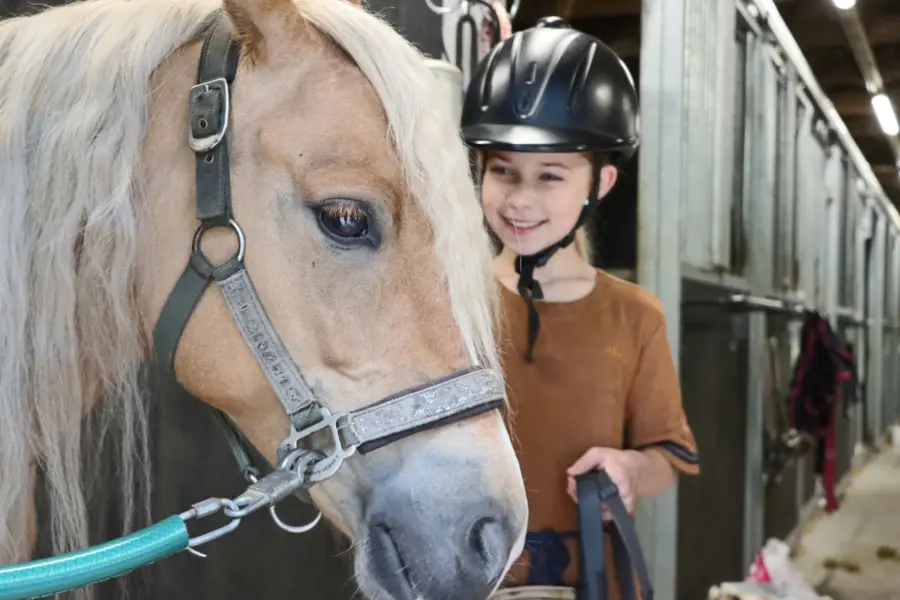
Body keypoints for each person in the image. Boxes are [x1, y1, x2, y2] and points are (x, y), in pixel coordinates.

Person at [460, 17, 701, 599]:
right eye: (503, 171)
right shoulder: (448, 300)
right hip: (462, 579)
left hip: (589, 581)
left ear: (601, 182)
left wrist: (630, 471)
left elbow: (668, 455)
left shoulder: (636, 317)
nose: (520, 199)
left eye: (551, 176)